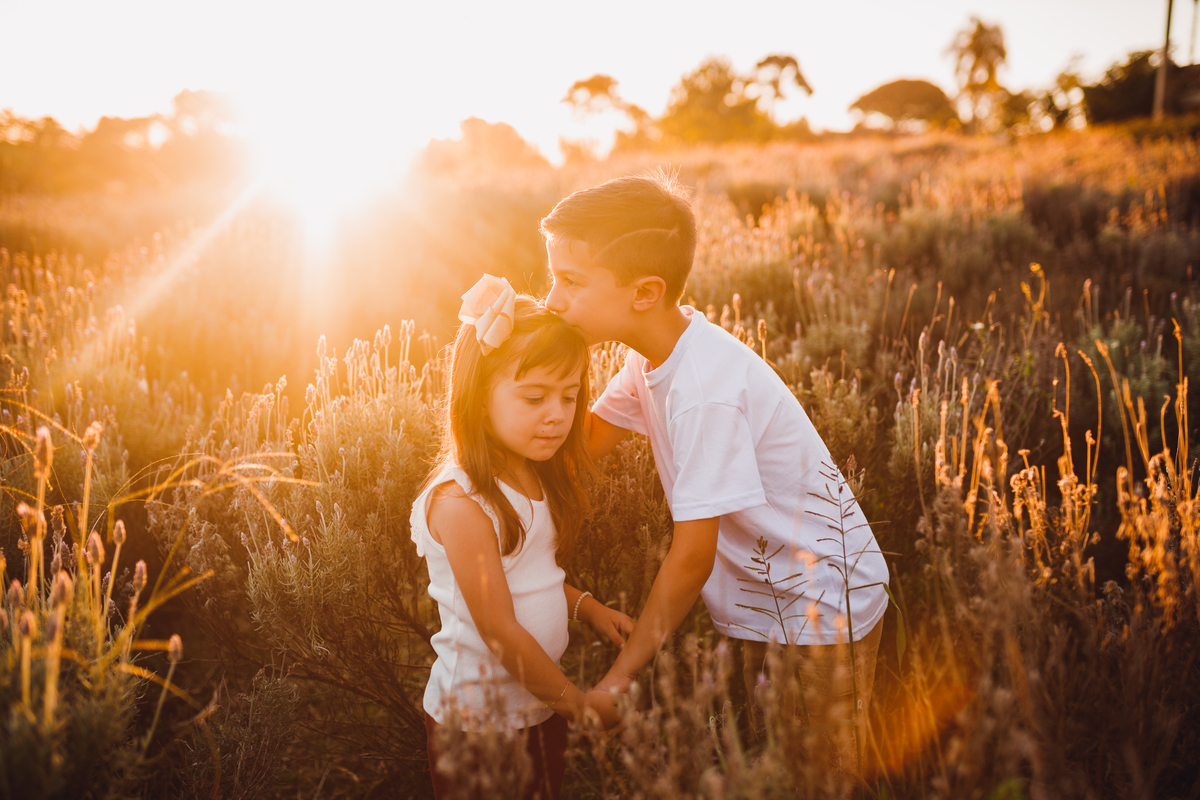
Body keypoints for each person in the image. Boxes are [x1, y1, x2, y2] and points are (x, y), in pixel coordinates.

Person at [540, 173, 890, 770]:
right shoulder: (652, 354)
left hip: (822, 603)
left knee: (819, 775)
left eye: (570, 282)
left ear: (645, 293)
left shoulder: (703, 389)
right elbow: (577, 452)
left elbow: (692, 556)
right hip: (772, 595)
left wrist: (619, 681)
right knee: (774, 752)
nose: (553, 298)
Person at [411, 275, 633, 800]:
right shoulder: (462, 503)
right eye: (534, 397)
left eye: (570, 395)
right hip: (477, 724)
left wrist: (587, 608)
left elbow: (533, 578)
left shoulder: (536, 472)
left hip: (536, 705)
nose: (557, 414)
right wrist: (578, 705)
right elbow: (498, 629)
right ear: (479, 397)